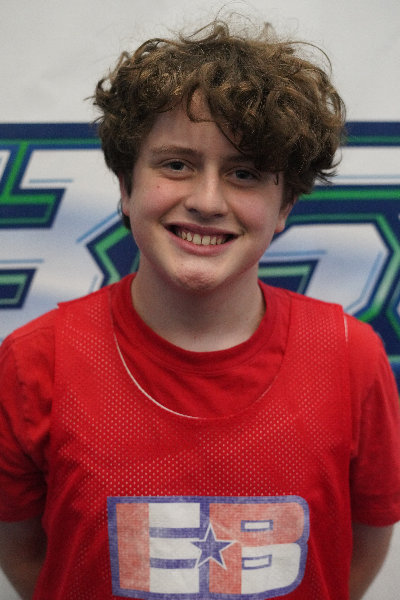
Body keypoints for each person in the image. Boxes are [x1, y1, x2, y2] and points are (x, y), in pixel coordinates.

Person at [1, 17, 400, 600]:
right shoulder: (35, 360)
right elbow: (28, 557)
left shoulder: (351, 355)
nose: (208, 201)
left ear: (284, 206)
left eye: (245, 173)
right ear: (126, 186)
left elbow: (354, 556)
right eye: (176, 164)